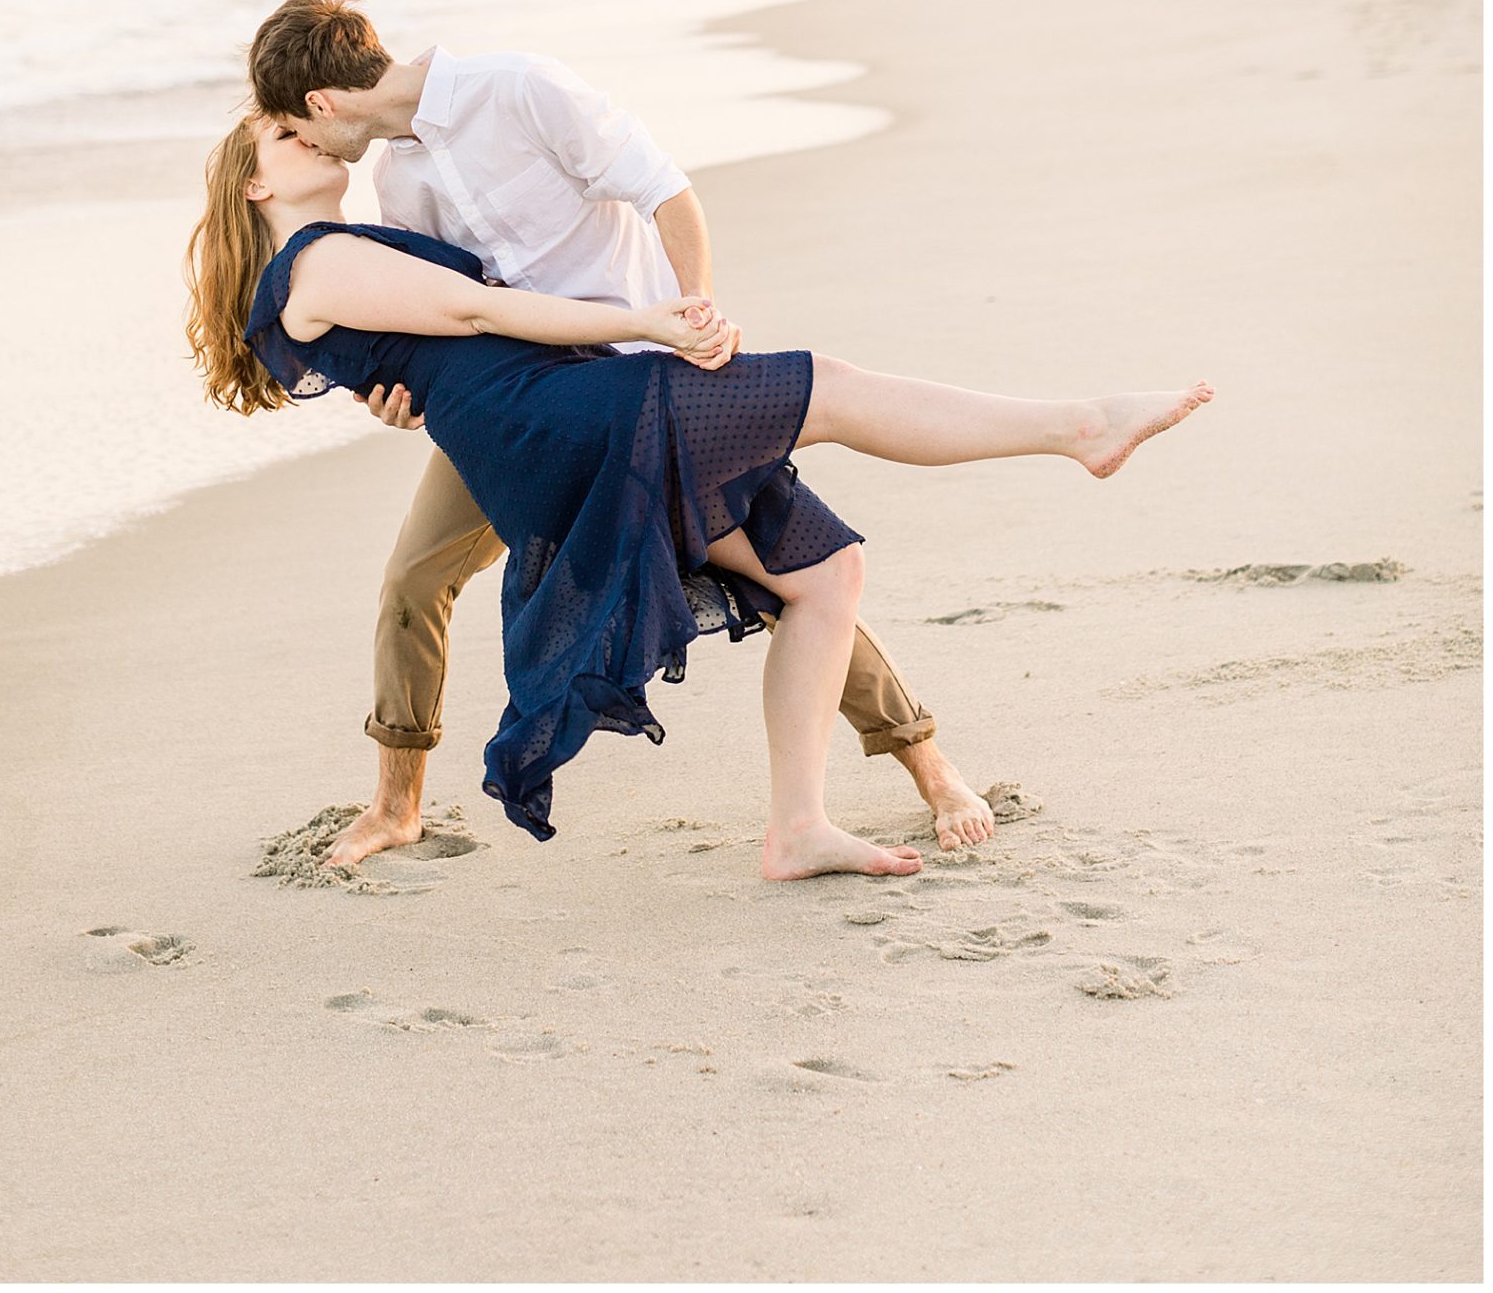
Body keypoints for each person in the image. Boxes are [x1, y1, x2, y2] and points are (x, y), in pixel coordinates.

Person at [185, 114, 1213, 880]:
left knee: (819, 571)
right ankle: (1078, 428)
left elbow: (416, 348)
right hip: (568, 419)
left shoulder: (349, 244)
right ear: (252, 184)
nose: (303, 131)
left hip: (554, 413)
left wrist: (403, 384)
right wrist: (651, 320)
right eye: (278, 132)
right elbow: (472, 310)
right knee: (827, 390)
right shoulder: (318, 260)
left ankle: (804, 825)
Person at [244, 0, 993, 868]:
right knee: (414, 578)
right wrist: (394, 396)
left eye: (294, 126)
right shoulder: (396, 184)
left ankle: (929, 766)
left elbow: (663, 190)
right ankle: (395, 806)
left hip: (638, 383)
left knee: (778, 563)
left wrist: (695, 317)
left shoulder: (518, 88)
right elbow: (447, 320)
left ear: (320, 102)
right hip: (518, 417)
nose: (303, 142)